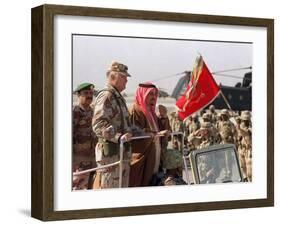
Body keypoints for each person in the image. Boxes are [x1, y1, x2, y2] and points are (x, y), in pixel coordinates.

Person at [92, 61, 132, 189]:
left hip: (121, 155)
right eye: (123, 77)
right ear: (113, 77)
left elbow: (126, 124)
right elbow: (98, 124)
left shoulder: (118, 97)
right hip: (111, 159)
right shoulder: (107, 95)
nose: (126, 81)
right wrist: (118, 137)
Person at [129, 83, 169, 187]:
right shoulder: (135, 111)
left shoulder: (151, 113)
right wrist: (156, 134)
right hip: (143, 161)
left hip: (154, 159)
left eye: (155, 94)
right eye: (150, 94)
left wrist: (164, 118)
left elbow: (162, 131)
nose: (153, 97)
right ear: (142, 94)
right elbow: (136, 135)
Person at [72, 83, 97, 190]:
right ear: (78, 95)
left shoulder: (93, 111)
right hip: (79, 160)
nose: (89, 96)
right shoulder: (75, 112)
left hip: (92, 158)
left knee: (91, 187)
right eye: (85, 93)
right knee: (78, 187)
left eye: (91, 93)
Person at [237, 111, 252, 181]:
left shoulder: (250, 129)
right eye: (243, 120)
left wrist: (238, 125)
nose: (244, 122)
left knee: (249, 170)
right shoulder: (241, 126)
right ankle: (245, 177)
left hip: (248, 151)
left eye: (246, 120)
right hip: (241, 149)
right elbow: (239, 135)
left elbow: (244, 132)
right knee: (242, 166)